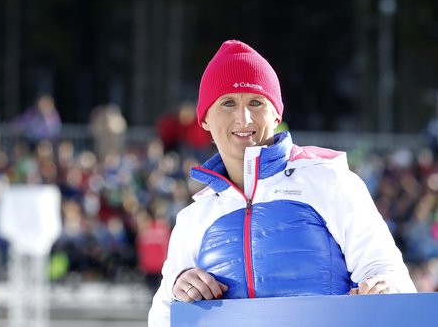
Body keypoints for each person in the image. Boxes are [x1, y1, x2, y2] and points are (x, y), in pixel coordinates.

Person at [148, 40, 416, 326]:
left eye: (256, 102)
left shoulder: (328, 181)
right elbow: (162, 316)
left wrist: (385, 290)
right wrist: (179, 291)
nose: (244, 117)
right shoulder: (194, 218)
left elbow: (388, 273)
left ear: (276, 114)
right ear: (204, 120)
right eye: (228, 103)